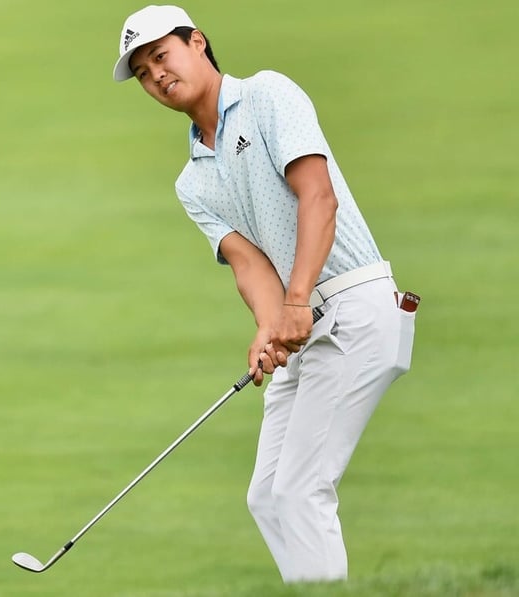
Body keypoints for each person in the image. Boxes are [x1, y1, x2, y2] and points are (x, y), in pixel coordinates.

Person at [111, 5, 418, 583]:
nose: (157, 75)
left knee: (302, 489)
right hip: (306, 324)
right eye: (145, 72)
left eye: (161, 56)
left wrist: (296, 302)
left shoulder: (268, 95)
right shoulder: (192, 180)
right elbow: (249, 265)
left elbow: (318, 198)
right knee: (268, 497)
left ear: (196, 43)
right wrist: (269, 324)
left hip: (354, 305)